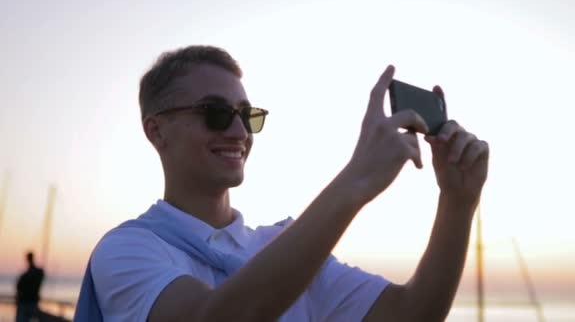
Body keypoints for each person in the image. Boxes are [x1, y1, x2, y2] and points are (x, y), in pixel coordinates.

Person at [74, 45, 489, 321]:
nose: (238, 131)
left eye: (247, 114)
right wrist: (356, 180)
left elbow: (412, 313)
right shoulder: (129, 249)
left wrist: (457, 202)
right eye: (215, 113)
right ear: (157, 131)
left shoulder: (286, 248)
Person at [16, 251, 45, 322]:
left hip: (28, 303)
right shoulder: (35, 273)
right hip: (28, 303)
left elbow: (19, 287)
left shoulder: (29, 274)